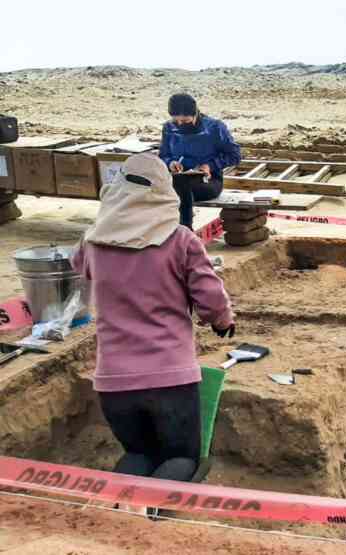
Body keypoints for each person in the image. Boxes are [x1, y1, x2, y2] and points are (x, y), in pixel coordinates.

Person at [71, 153, 235, 515]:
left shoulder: (92, 241)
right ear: (164, 192)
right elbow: (210, 300)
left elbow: (78, 270)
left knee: (138, 454)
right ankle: (153, 522)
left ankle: (108, 516)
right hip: (170, 382)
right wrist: (223, 321)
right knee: (181, 458)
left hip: (113, 384)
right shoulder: (181, 241)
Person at [159, 93, 241, 229]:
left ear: (195, 114)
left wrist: (210, 166)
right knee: (170, 186)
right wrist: (170, 163)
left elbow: (235, 155)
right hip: (176, 179)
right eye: (176, 121)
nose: (180, 125)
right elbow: (163, 155)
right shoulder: (168, 128)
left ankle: (185, 231)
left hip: (208, 181)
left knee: (179, 188)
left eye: (185, 121)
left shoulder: (215, 127)